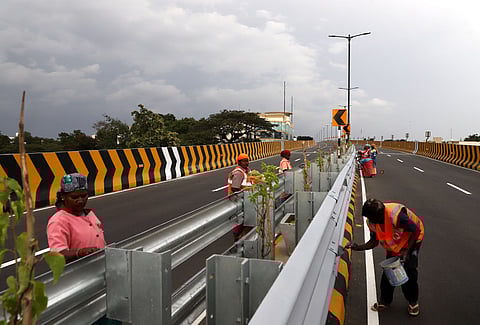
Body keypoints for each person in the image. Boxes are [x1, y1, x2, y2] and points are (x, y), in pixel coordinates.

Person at [347, 198, 424, 316]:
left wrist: (406, 252)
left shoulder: (397, 216)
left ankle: (413, 302)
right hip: (395, 243)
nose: (370, 221)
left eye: (372, 218)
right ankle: (385, 300)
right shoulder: (372, 222)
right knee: (390, 269)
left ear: (380, 215)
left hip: (412, 239)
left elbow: (416, 230)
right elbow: (374, 241)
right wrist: (357, 247)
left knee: (409, 269)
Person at [47, 173, 105, 263]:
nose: (80, 200)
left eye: (84, 196)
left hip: (99, 266)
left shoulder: (89, 214)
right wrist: (80, 252)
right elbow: (57, 255)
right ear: (63, 196)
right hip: (79, 274)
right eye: (74, 197)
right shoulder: (58, 221)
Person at [227, 154, 254, 240]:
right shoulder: (238, 173)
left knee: (245, 219)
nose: (246, 163)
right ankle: (238, 238)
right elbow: (235, 187)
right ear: (239, 162)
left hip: (245, 199)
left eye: (247, 160)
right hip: (238, 199)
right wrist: (245, 191)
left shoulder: (246, 171)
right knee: (240, 220)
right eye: (244, 161)